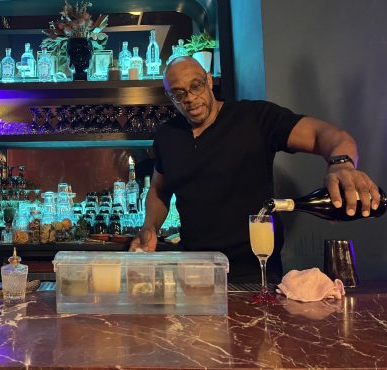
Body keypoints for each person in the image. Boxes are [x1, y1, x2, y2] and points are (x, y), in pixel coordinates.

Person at [129, 56, 380, 282]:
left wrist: (341, 165)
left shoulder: (255, 117)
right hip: (197, 272)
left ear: (208, 79)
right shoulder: (167, 136)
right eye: (178, 94)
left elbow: (325, 134)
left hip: (256, 272)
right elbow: (160, 190)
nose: (190, 98)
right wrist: (150, 226)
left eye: (196, 86)